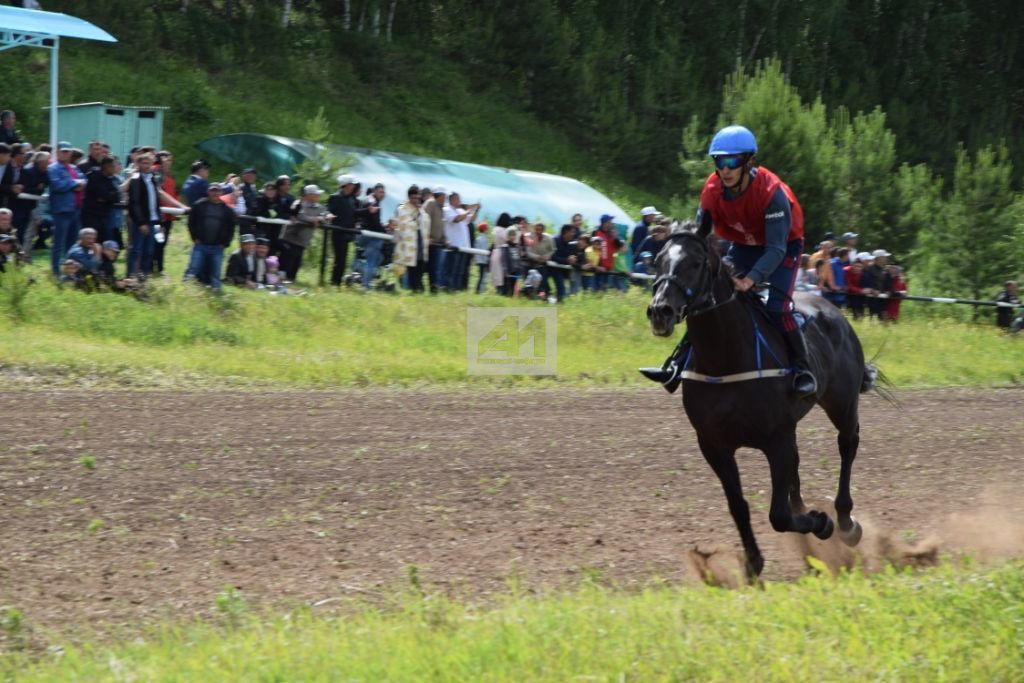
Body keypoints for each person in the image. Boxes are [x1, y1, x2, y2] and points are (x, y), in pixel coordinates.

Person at [640, 124, 818, 396]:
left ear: (748, 162)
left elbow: (775, 249)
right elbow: (701, 237)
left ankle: (803, 368)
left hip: (783, 247)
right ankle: (677, 365)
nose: (725, 169)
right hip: (744, 245)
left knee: (777, 307)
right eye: (720, 162)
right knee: (707, 298)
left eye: (732, 161)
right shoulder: (711, 191)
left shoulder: (772, 194)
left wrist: (750, 279)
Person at [185, 183, 236, 292]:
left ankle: (217, 294)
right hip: (200, 245)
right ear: (208, 192)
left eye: (217, 191)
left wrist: (225, 243)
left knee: (216, 274)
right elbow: (190, 222)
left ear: (222, 193)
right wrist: (194, 238)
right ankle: (185, 290)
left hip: (218, 247)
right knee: (193, 269)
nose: (215, 193)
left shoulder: (228, 211)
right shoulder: (198, 205)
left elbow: (231, 229)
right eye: (213, 191)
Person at [47, 142, 87, 276]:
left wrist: (76, 183)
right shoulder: (53, 168)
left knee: (72, 243)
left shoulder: (74, 168)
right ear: (57, 152)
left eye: (68, 151)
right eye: (63, 151)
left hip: (76, 209)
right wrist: (75, 183)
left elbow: (84, 180)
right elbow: (57, 185)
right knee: (59, 242)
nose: (66, 153)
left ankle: (70, 272)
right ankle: (56, 271)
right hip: (62, 210)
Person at [279, 184, 326, 282]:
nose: (318, 196)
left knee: (297, 262)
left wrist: (319, 219)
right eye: (316, 194)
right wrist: (314, 219)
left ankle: (291, 280)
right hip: (291, 238)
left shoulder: (318, 206)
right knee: (287, 261)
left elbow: (324, 215)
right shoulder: (298, 203)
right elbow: (300, 216)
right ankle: (282, 280)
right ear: (309, 195)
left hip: (302, 240)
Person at [392, 184, 430, 292]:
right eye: (413, 198)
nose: (415, 200)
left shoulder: (421, 210)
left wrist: (419, 213)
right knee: (409, 267)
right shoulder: (401, 209)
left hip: (420, 241)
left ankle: (417, 288)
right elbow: (399, 224)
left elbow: (425, 223)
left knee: (419, 265)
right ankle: (412, 288)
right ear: (409, 197)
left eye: (417, 198)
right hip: (407, 243)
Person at [473, 222, 490, 294]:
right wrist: (486, 260)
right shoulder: (484, 239)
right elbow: (485, 250)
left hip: (479, 260)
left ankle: (478, 290)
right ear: (484, 229)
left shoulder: (478, 238)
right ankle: (479, 290)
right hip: (483, 260)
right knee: (482, 276)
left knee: (480, 276)